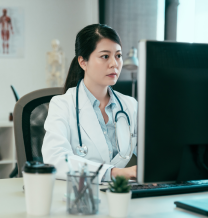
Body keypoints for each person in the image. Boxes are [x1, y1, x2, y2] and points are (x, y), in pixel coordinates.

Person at [42, 24, 137, 183]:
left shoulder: (131, 105)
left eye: (118, 55)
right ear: (83, 62)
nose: (114, 63)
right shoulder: (62, 105)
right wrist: (114, 173)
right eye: (105, 56)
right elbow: (55, 159)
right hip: (80, 195)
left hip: (120, 195)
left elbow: (154, 152)